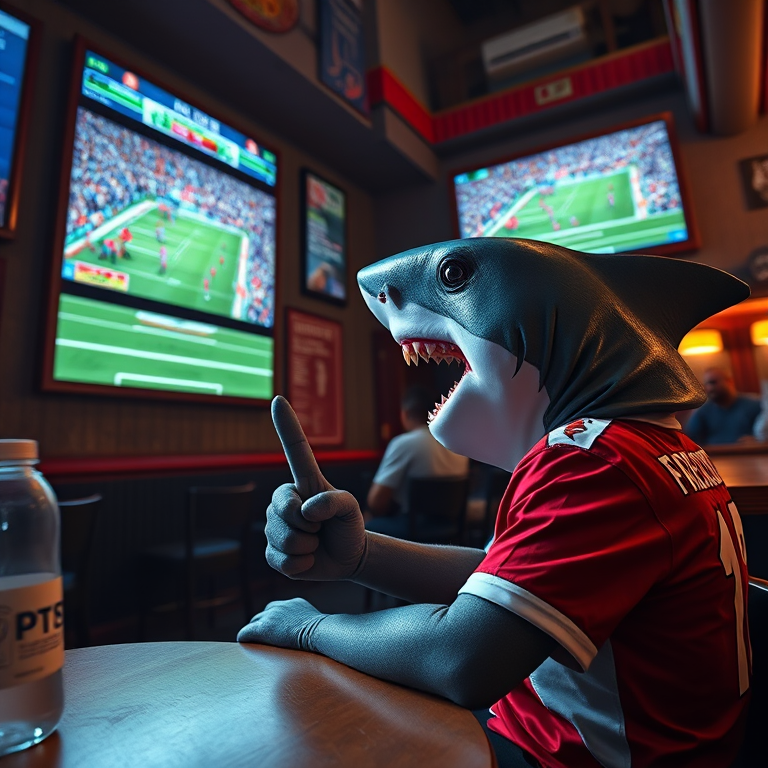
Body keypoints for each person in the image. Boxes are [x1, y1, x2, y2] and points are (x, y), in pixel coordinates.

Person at [239, 239, 751, 767]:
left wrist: (309, 629)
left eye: (455, 276)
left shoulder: (593, 462)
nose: (382, 292)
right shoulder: (656, 447)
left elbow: (463, 659)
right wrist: (363, 556)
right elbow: (507, 581)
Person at [365, 386, 469, 538]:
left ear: (405, 413)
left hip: (413, 532)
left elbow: (376, 502)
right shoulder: (456, 443)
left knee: (367, 527)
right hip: (452, 529)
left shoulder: (404, 443)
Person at [684, 366, 761, 445]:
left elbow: (763, 434)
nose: (709, 388)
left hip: (747, 454)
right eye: (706, 384)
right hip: (716, 456)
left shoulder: (755, 405)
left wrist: (759, 440)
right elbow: (690, 438)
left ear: (730, 381)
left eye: (713, 382)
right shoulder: (702, 411)